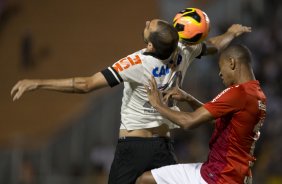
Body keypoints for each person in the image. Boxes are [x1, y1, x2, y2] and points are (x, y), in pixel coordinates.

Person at [11, 18, 250, 184]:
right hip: (163, 146)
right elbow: (213, 46)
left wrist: (37, 83)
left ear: (149, 45)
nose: (146, 23)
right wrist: (232, 33)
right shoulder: (184, 50)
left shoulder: (135, 62)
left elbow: (84, 85)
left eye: (149, 27)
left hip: (133, 147)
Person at [138, 44, 267, 184]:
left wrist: (158, 105)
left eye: (220, 66)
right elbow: (217, 121)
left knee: (144, 180)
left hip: (219, 176)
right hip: (235, 176)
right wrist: (189, 99)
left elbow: (189, 122)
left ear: (232, 62)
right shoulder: (258, 95)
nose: (220, 73)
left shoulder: (238, 93)